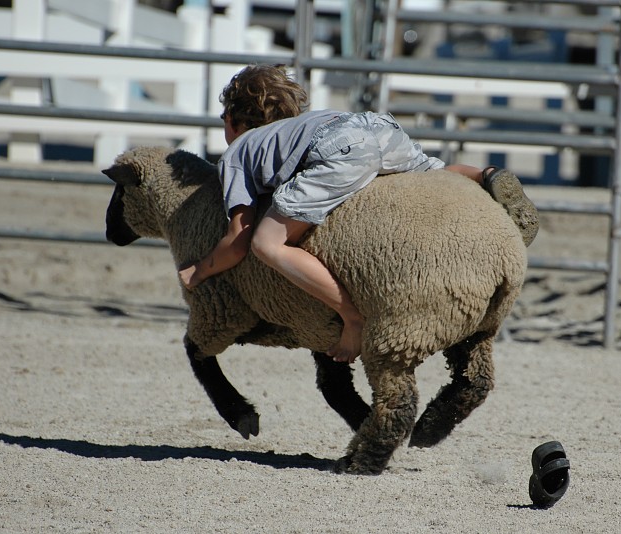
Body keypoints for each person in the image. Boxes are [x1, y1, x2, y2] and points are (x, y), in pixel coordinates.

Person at [179, 65, 537, 363]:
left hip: (339, 147)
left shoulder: (240, 150)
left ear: (231, 119)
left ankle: (352, 319)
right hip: (376, 127)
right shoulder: (297, 125)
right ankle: (486, 176)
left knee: (268, 244)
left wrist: (199, 270)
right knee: (435, 173)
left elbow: (238, 239)